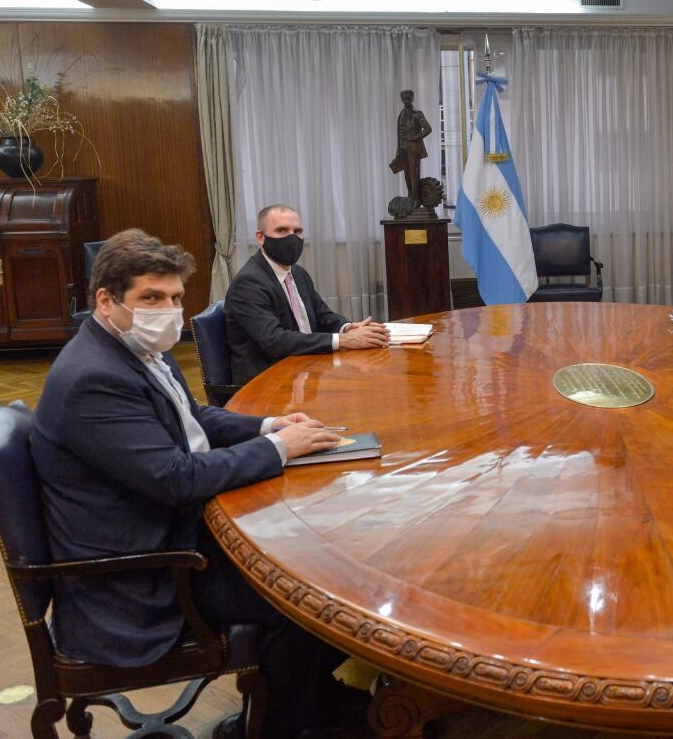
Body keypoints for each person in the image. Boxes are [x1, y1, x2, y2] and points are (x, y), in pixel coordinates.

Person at [30, 229, 364, 738]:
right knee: (309, 595)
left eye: (175, 298)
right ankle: (290, 725)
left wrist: (268, 426)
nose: (167, 309)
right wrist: (278, 450)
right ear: (106, 299)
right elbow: (174, 478)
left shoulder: (135, 347)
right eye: (151, 297)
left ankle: (321, 707)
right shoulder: (91, 378)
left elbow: (192, 416)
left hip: (178, 529)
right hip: (146, 573)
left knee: (321, 555)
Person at [225, 204, 389, 386]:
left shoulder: (297, 273)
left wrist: (348, 328)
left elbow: (323, 316)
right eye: (281, 231)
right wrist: (342, 341)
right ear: (260, 237)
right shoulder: (248, 283)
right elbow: (275, 341)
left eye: (297, 231)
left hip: (305, 370)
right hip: (268, 383)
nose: (292, 238)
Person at [389, 89, 432, 202]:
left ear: (412, 99)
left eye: (408, 98)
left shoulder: (417, 114)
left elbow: (428, 129)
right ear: (402, 100)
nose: (406, 100)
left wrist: (416, 138)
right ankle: (410, 196)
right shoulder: (401, 115)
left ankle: (416, 198)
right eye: (404, 98)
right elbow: (399, 135)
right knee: (407, 173)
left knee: (414, 173)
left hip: (413, 149)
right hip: (403, 149)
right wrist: (398, 152)